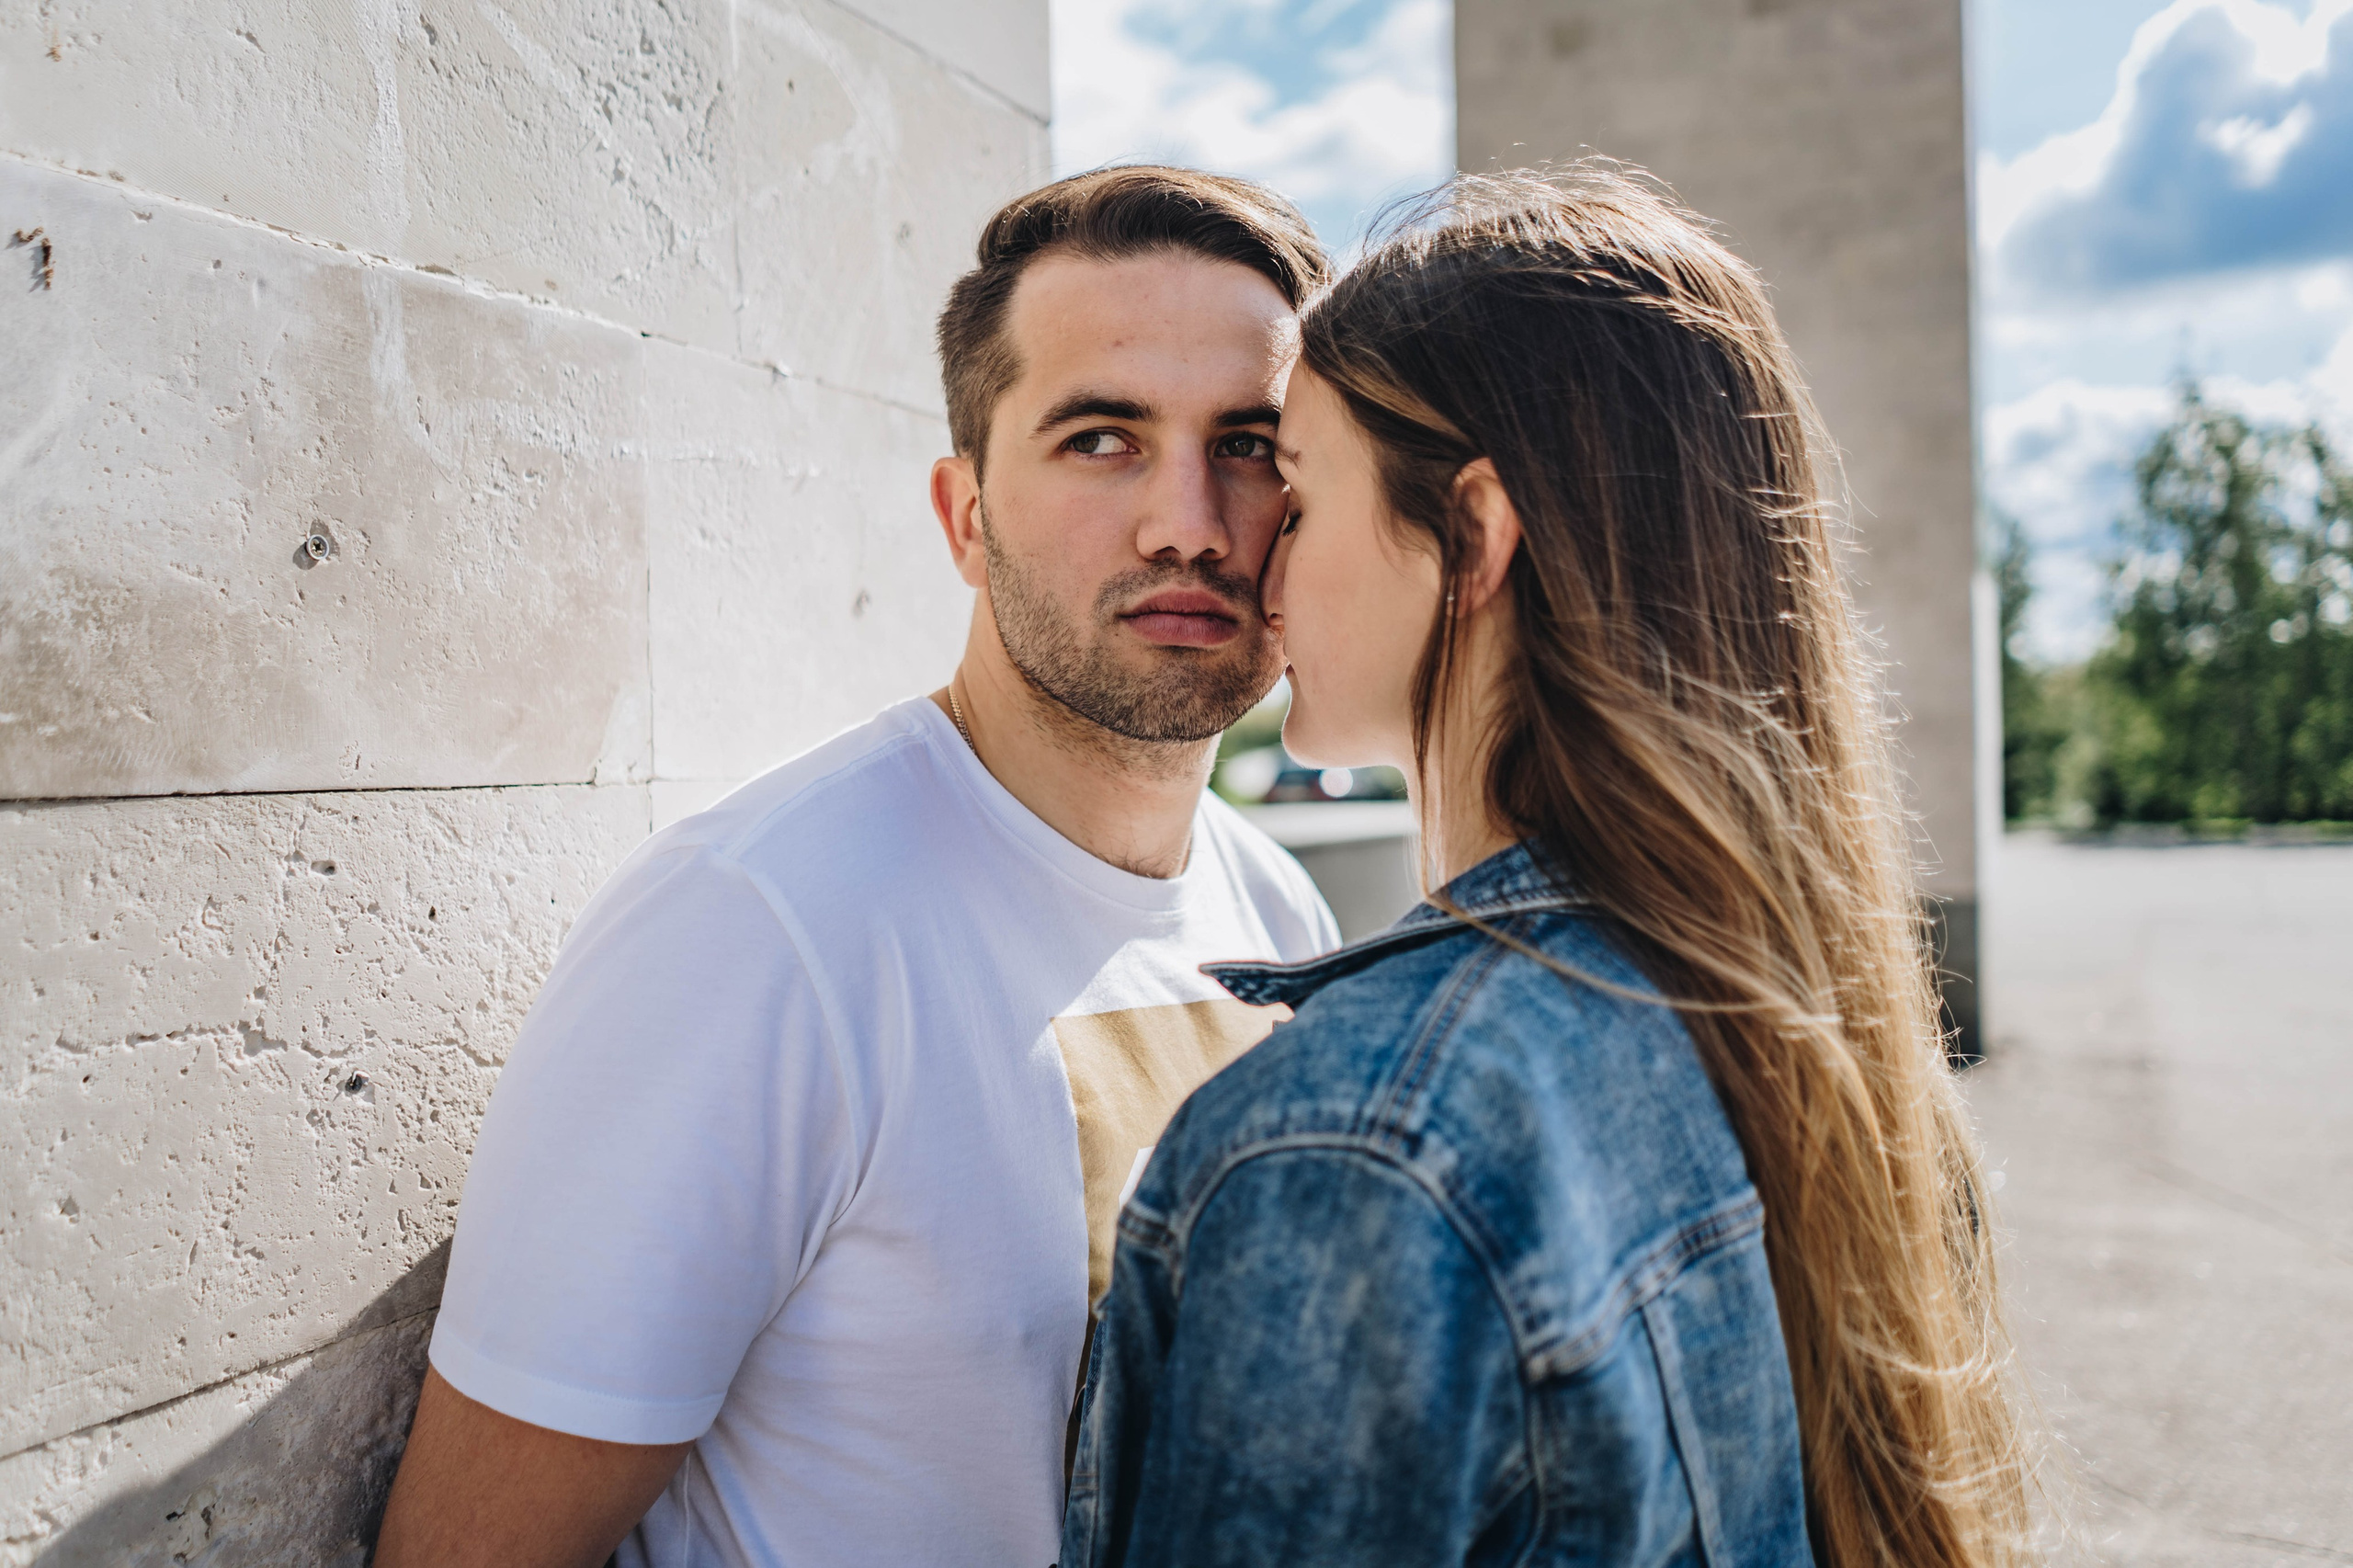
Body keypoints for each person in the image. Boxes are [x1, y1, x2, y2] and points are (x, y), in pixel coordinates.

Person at [1063, 167, 2036, 1568]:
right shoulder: (1829, 1043)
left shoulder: (1358, 1145)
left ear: (1470, 535)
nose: (1259, 564)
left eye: (1305, 493)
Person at [373, 166, 1341, 1568]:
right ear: (963, 516)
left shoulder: (1283, 909)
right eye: (1099, 439)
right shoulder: (758, 926)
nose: (1186, 520)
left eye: (1249, 443)